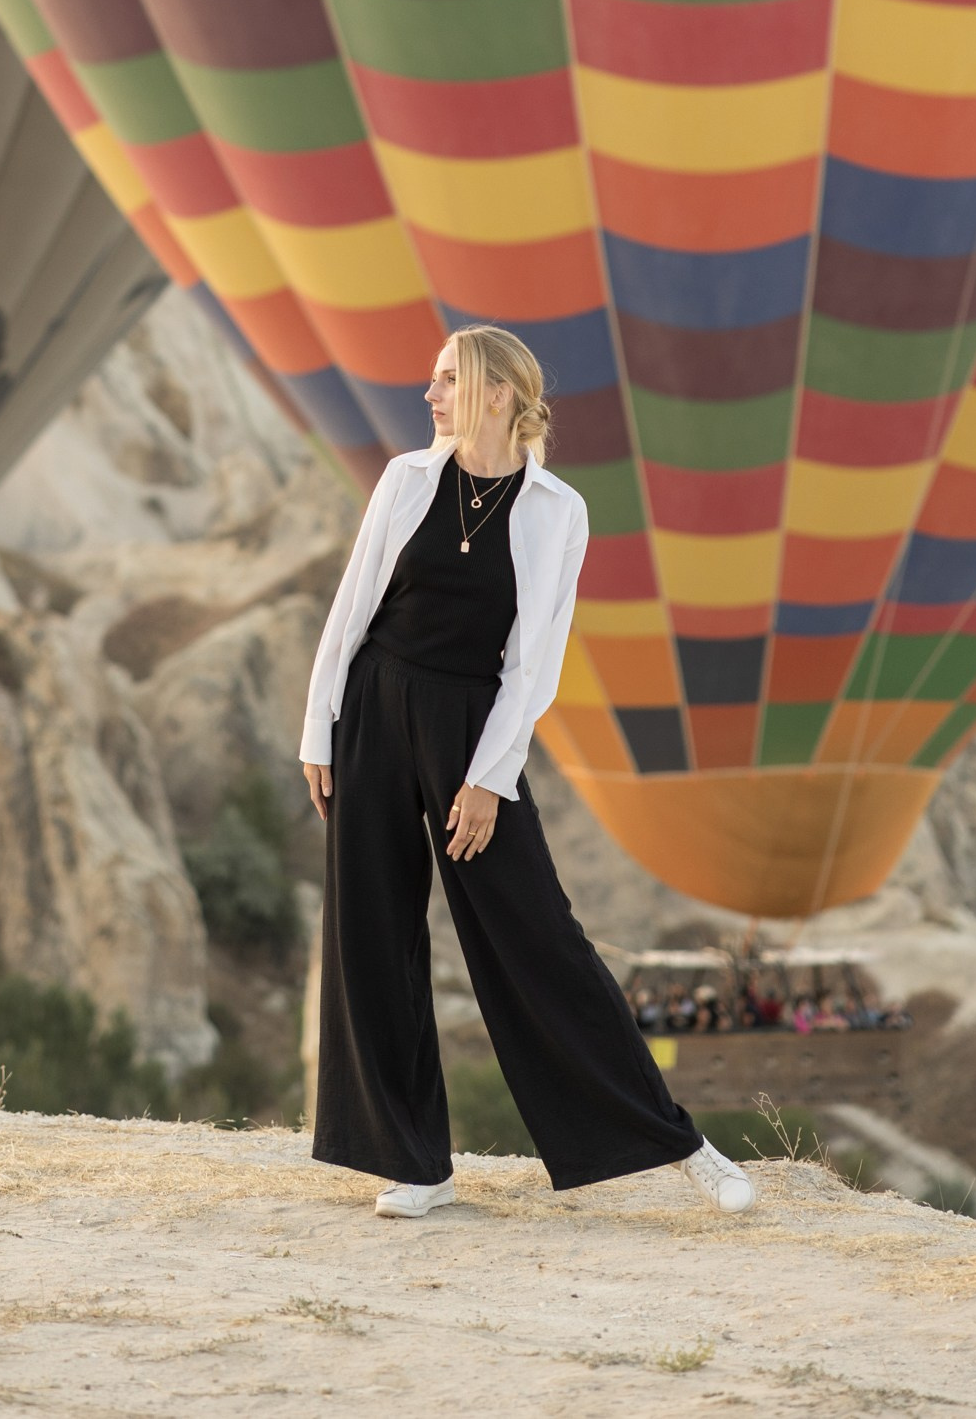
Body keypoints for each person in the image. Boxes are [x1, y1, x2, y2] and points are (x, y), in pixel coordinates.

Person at [301, 324, 754, 1224]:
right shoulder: (404, 480)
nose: (429, 395)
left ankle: (677, 1144)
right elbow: (351, 610)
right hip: (373, 713)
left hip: (475, 725)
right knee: (371, 934)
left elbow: (531, 664)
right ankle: (414, 1163)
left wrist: (487, 778)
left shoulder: (557, 511)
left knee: (537, 935)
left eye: (447, 380)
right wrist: (320, 730)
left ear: (498, 395)